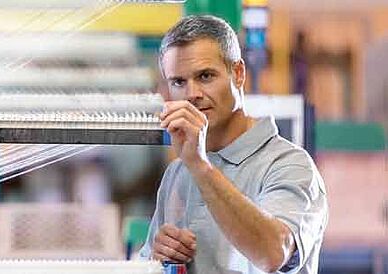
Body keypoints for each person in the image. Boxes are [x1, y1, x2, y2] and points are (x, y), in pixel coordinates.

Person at [139, 15, 328, 274]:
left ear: (238, 74)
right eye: (178, 82)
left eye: (205, 76)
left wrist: (200, 166)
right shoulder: (177, 173)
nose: (192, 94)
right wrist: (160, 256)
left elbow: (273, 254)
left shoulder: (289, 166)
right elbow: (147, 264)